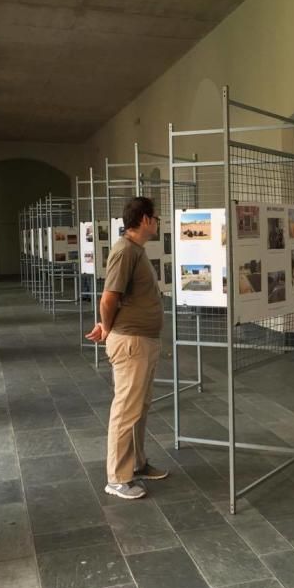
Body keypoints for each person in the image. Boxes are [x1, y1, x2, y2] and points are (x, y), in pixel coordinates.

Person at [85, 197, 169, 500]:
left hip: (143, 341)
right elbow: (108, 298)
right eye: (156, 217)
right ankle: (118, 478)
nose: (158, 222)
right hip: (132, 342)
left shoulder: (135, 250)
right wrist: (107, 327)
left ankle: (137, 463)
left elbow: (121, 299)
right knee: (126, 409)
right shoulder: (124, 252)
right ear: (145, 219)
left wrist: (108, 324)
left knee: (139, 408)